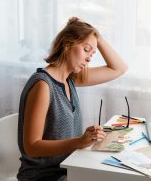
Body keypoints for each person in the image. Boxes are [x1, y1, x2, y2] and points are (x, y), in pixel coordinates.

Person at [17, 17, 128, 181]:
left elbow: (119, 68)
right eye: (86, 49)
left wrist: (97, 37)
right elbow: (32, 147)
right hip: (43, 176)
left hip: (70, 167)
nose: (90, 58)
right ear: (67, 43)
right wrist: (80, 142)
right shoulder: (43, 86)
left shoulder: (71, 79)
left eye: (92, 54)